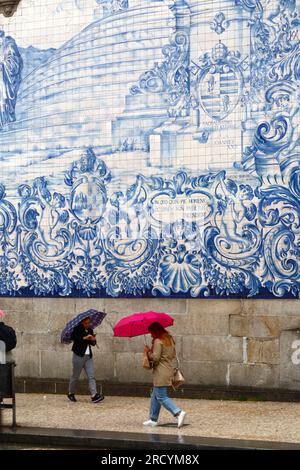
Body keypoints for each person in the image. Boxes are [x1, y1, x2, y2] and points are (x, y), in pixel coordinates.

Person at [143, 322, 186, 428]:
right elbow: (170, 355)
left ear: (155, 331)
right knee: (155, 395)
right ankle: (153, 419)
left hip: (160, 372)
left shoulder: (158, 341)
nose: (151, 335)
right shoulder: (169, 339)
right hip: (168, 369)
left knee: (161, 397)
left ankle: (178, 412)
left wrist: (148, 352)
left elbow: (156, 358)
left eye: (151, 333)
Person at [68, 316, 104, 404]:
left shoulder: (90, 330)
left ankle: (94, 395)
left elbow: (93, 344)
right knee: (75, 376)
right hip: (78, 355)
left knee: (91, 376)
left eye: (89, 322)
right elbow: (73, 338)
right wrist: (84, 338)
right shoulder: (77, 329)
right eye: (87, 323)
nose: (89, 324)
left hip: (88, 356)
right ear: (82, 323)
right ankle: (71, 393)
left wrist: (93, 340)